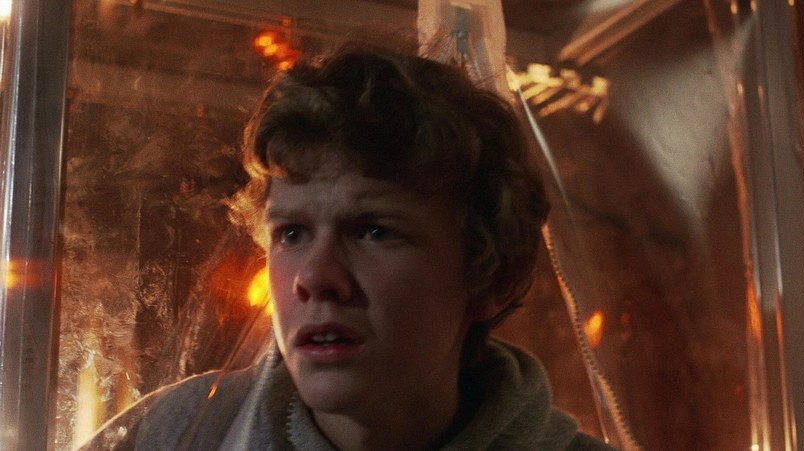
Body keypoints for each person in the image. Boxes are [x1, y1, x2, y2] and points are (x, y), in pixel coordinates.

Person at [82, 42, 614, 450]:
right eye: (292, 233)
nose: (315, 278)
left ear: (492, 278)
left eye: (374, 231)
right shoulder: (180, 433)